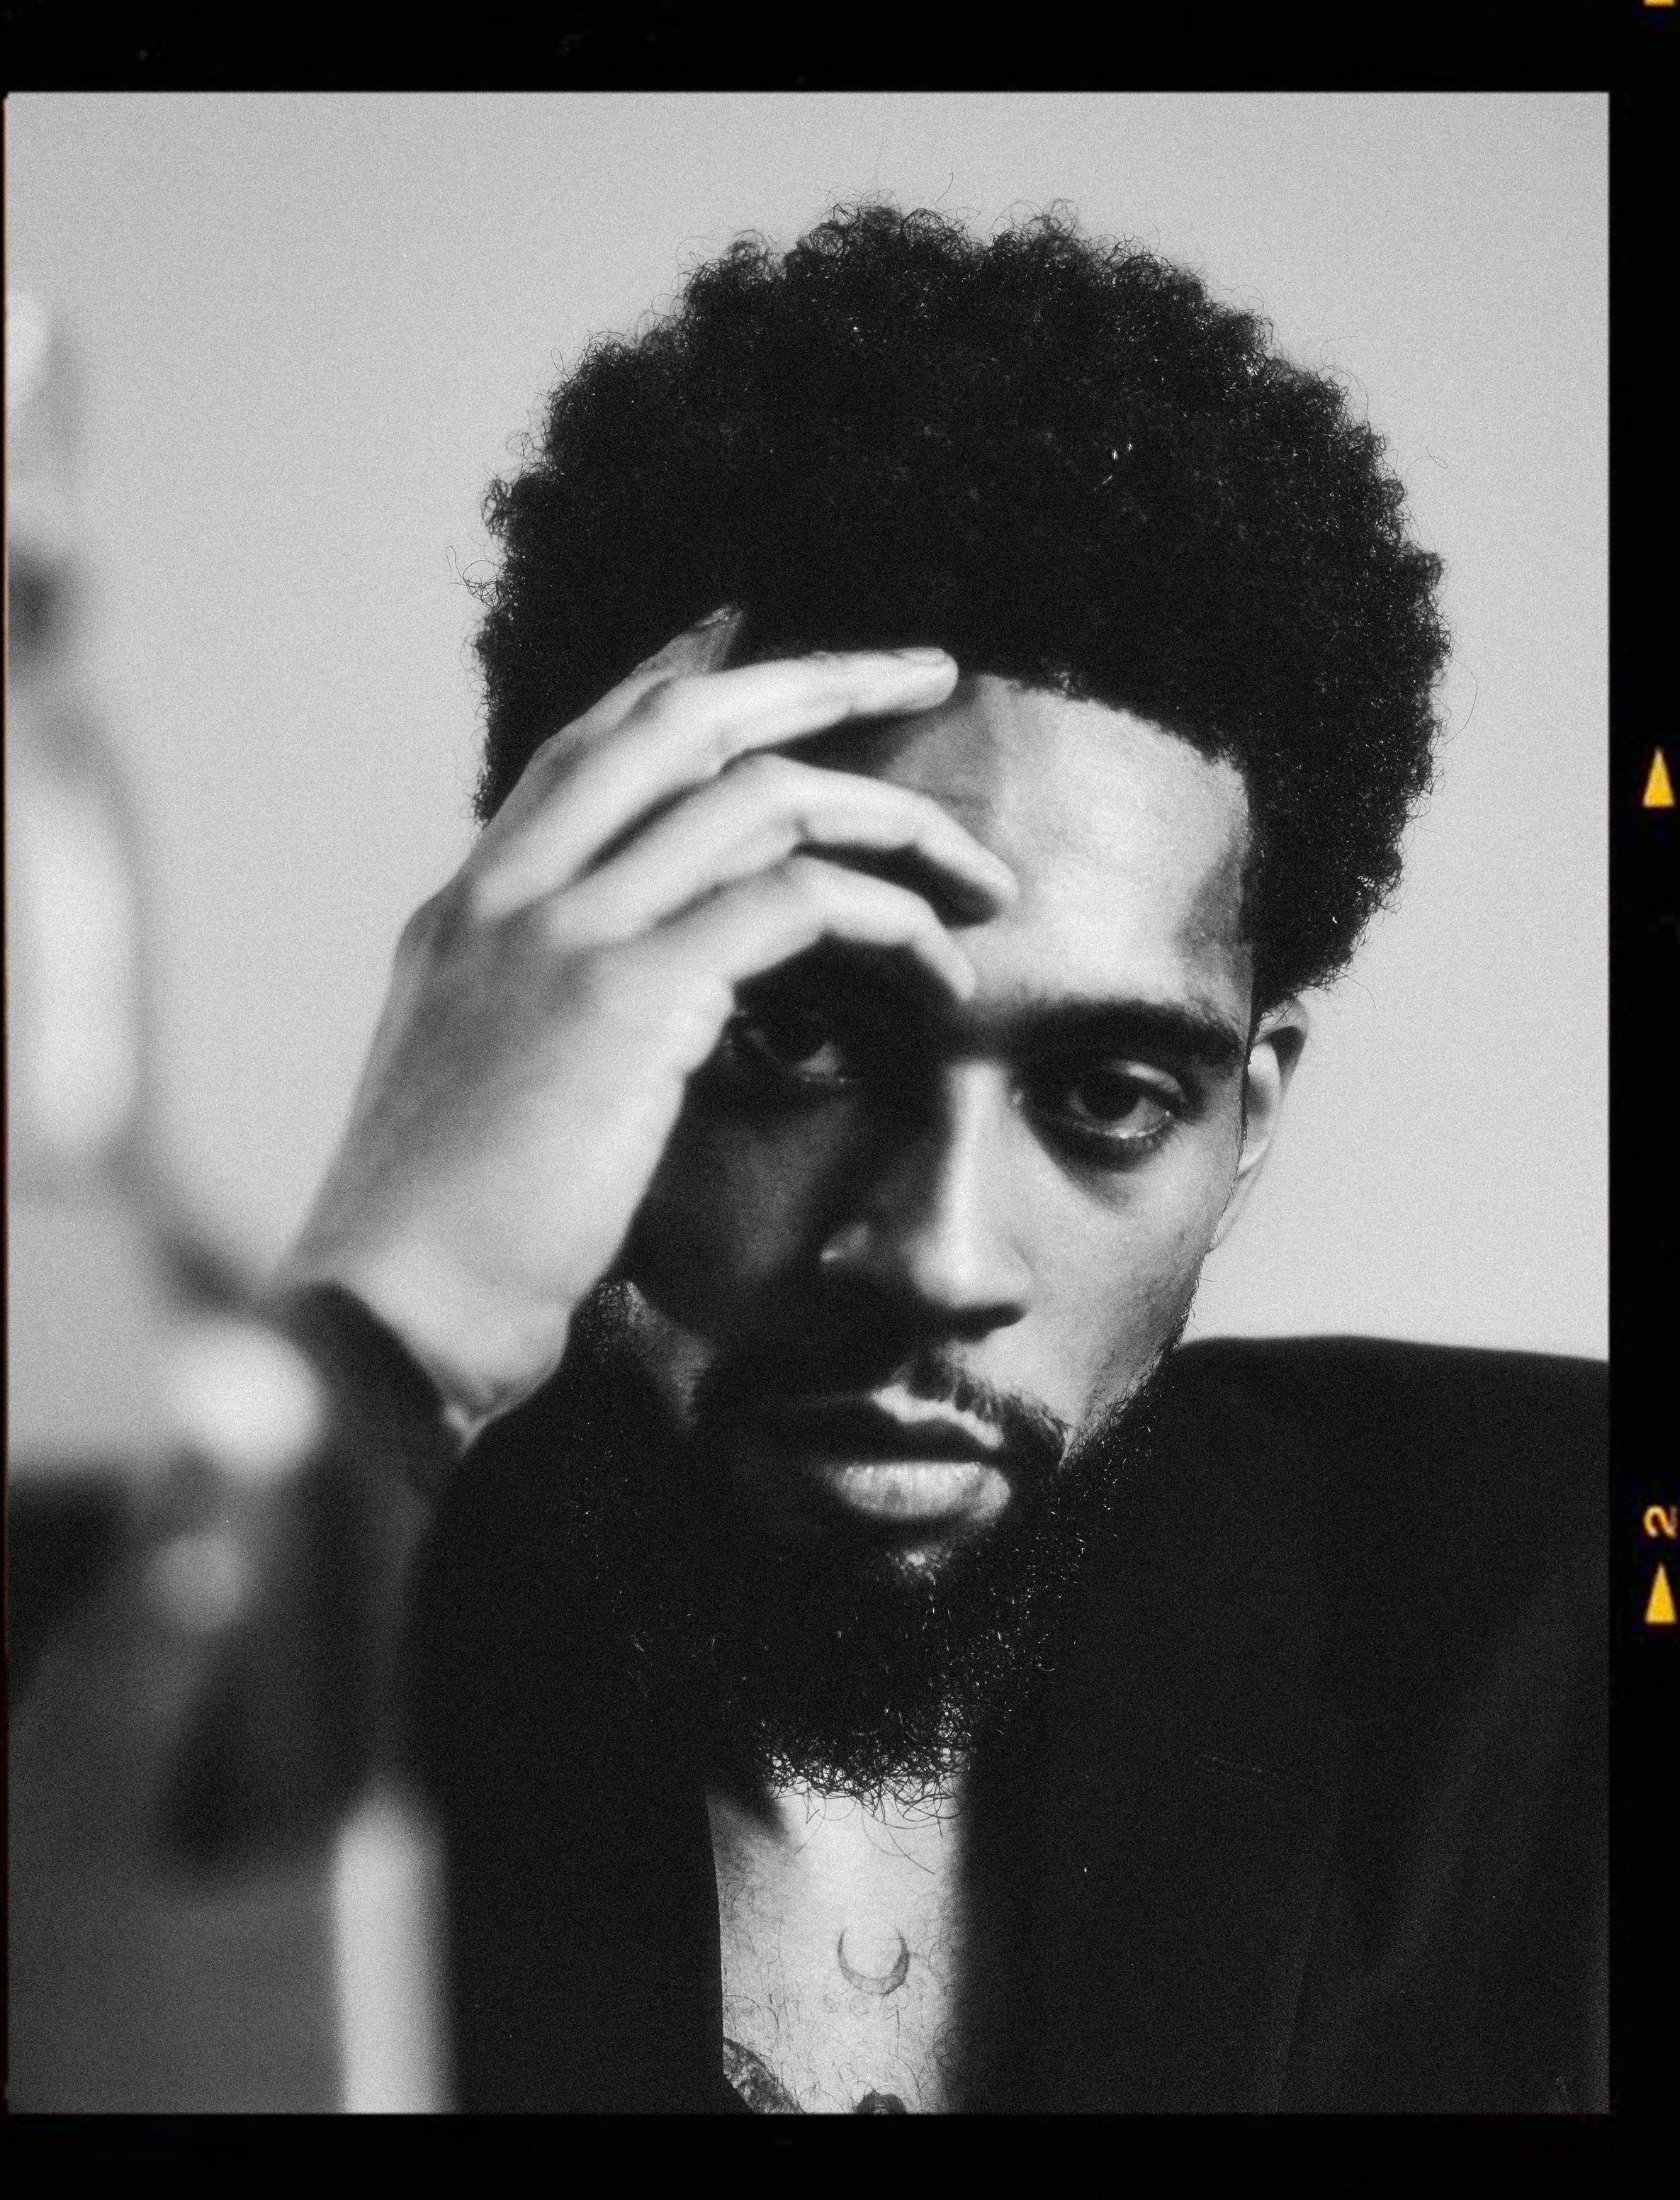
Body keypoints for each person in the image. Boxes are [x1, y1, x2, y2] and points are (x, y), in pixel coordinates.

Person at [269, 203, 1605, 2115]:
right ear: (554, 1015)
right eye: (795, 1046)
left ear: (1253, 1110)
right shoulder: (252, 1656)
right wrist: (394, 1321)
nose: (938, 1252)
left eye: (1108, 1093)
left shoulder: (1546, 1641)